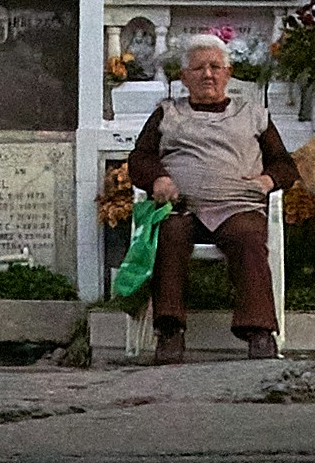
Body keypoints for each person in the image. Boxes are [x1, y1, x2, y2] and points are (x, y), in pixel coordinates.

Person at [123, 35, 297, 362]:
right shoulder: (167, 113)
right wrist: (158, 178)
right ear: (184, 77)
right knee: (169, 234)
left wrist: (267, 180)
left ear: (228, 74)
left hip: (237, 207)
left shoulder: (253, 114)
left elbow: (285, 165)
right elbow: (140, 158)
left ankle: (259, 332)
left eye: (215, 67)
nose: (208, 74)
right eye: (198, 68)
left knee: (248, 236)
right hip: (182, 207)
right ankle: (169, 331)